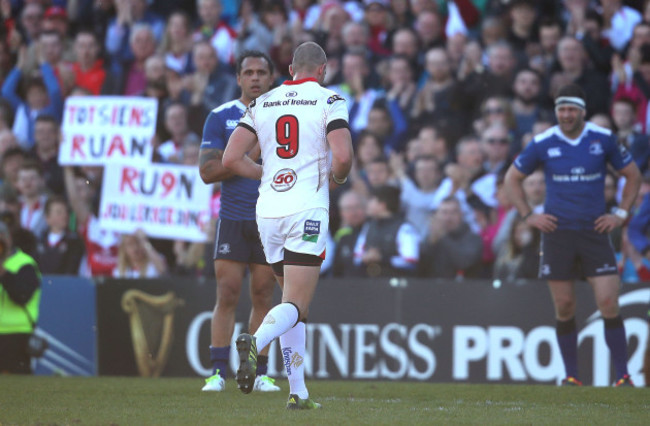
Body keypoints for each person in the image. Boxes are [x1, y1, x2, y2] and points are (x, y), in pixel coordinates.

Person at [222, 41, 353, 409]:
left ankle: (299, 393)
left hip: (268, 212)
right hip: (306, 209)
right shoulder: (329, 100)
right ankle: (255, 343)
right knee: (296, 301)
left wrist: (267, 174)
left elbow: (231, 158)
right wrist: (338, 179)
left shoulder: (263, 102)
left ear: (291, 70)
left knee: (292, 304)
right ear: (323, 70)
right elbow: (341, 156)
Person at [504, 84, 641, 387]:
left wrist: (620, 213)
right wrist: (529, 216)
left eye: (571, 110)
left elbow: (633, 175)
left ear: (582, 111)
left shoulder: (602, 139)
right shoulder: (543, 142)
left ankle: (623, 376)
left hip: (594, 231)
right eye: (561, 110)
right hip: (558, 233)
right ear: (556, 112)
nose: (565, 115)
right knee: (564, 305)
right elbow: (512, 178)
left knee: (608, 301)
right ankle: (571, 376)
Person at [198, 50, 279, 393]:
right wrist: (249, 156)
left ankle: (260, 373)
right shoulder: (221, 116)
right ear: (239, 78)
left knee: (263, 295)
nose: (256, 78)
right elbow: (206, 172)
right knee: (227, 293)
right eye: (249, 72)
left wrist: (236, 159)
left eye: (262, 72)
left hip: (271, 218)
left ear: (272, 78)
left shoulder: (284, 117)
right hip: (233, 217)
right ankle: (217, 373)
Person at [0, 222, 42, 374]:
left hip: (17, 335)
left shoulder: (25, 264)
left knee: (16, 390)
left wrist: (3, 272)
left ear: (8, 240)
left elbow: (22, 296)